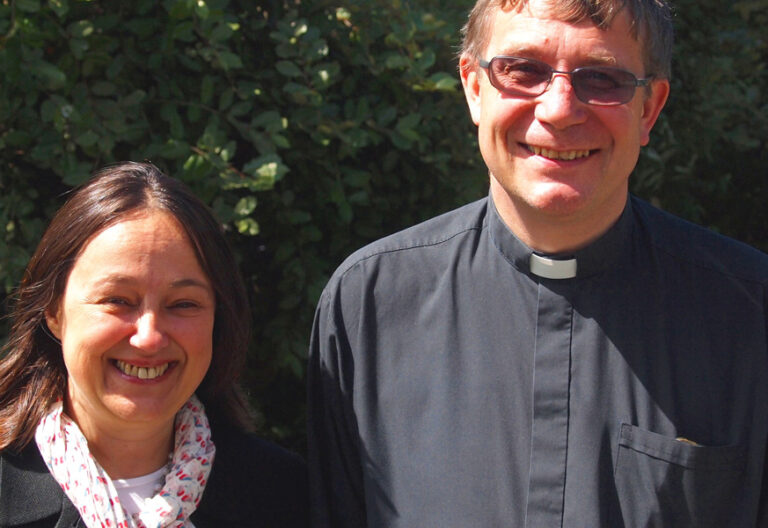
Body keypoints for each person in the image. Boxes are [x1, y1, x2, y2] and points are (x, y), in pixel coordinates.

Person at [307, 0, 768, 526]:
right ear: (474, 88)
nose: (559, 109)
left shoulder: (750, 316)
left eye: (602, 78)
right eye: (523, 70)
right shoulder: (370, 305)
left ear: (649, 109)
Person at [0, 162, 308, 527]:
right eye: (117, 300)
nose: (149, 337)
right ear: (54, 312)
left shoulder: (286, 498)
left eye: (183, 304)